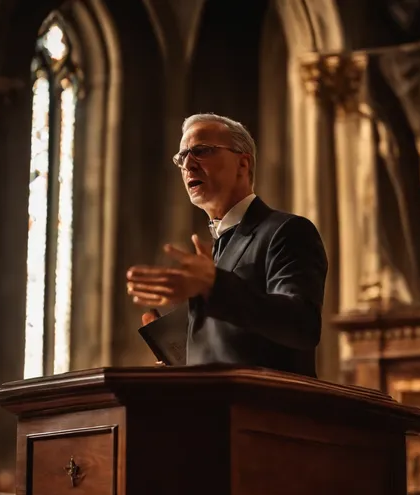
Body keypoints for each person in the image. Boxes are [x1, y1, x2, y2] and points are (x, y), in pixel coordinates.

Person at [126, 113, 328, 377]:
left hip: (268, 411)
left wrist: (214, 285)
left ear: (243, 164)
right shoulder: (215, 249)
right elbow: (230, 349)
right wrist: (175, 350)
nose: (188, 165)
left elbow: (302, 325)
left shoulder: (286, 231)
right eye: (182, 157)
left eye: (201, 151)